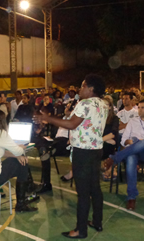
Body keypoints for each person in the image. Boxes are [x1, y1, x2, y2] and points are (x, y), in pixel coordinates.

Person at [34, 74, 108, 239]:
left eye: (82, 86)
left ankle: (80, 230)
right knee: (95, 188)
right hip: (96, 149)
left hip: (83, 152)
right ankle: (97, 221)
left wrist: (48, 118)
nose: (79, 89)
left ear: (91, 89)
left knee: (82, 192)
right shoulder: (103, 104)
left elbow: (71, 124)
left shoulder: (85, 103)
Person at [104, 100, 144, 210]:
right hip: (133, 151)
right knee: (131, 158)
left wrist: (142, 142)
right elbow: (123, 141)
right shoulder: (132, 122)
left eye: (142, 108)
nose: (139, 110)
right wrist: (129, 142)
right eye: (139, 107)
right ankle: (131, 197)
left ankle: (115, 158)